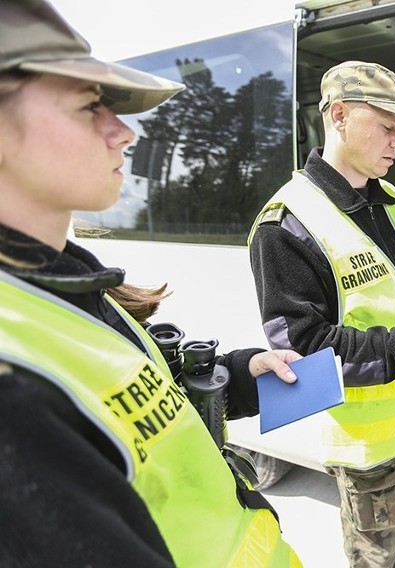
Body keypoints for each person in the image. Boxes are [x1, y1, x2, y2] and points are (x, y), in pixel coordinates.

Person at [0, 1, 303, 566]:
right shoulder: (12, 385)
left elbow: (143, 423)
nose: (123, 132)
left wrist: (238, 376)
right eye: (91, 107)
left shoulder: (65, 283)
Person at [249, 60, 395, 568]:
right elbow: (303, 350)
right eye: (389, 127)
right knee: (375, 555)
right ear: (338, 116)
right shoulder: (286, 225)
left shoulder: (391, 199)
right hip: (366, 442)